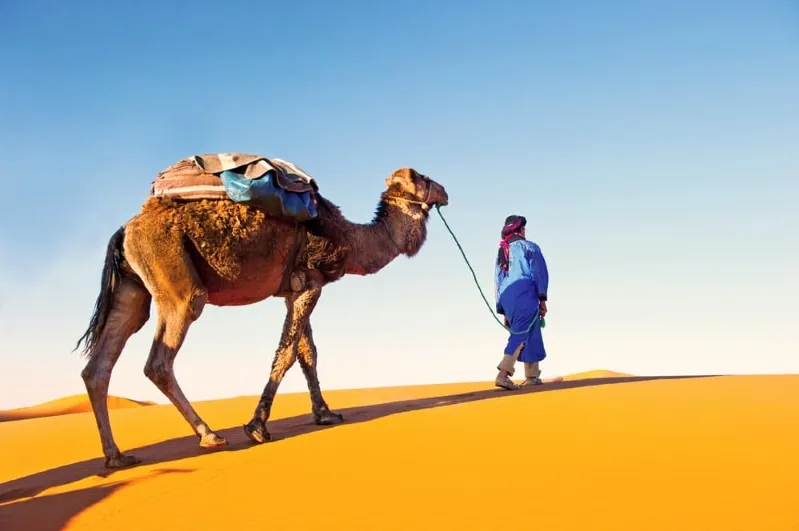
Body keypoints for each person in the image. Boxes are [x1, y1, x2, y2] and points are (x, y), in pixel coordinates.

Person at [493, 214, 550, 390]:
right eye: (523, 228)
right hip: (526, 293)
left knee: (531, 330)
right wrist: (542, 298)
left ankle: (532, 376)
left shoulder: (503, 251)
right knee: (520, 332)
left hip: (508, 298)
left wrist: (503, 309)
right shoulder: (529, 247)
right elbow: (539, 273)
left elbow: (498, 280)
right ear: (519, 229)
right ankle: (503, 374)